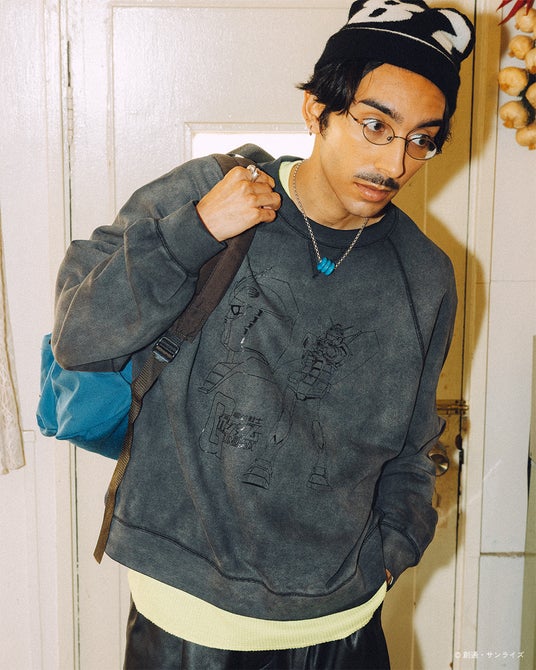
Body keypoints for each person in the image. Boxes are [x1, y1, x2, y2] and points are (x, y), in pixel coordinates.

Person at [52, 1, 474, 667]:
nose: (395, 163)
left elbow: (415, 444)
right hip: (188, 621)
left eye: (421, 139)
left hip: (344, 622)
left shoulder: (425, 273)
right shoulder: (209, 191)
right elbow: (80, 336)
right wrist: (193, 232)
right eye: (374, 125)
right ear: (317, 110)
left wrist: (395, 549)